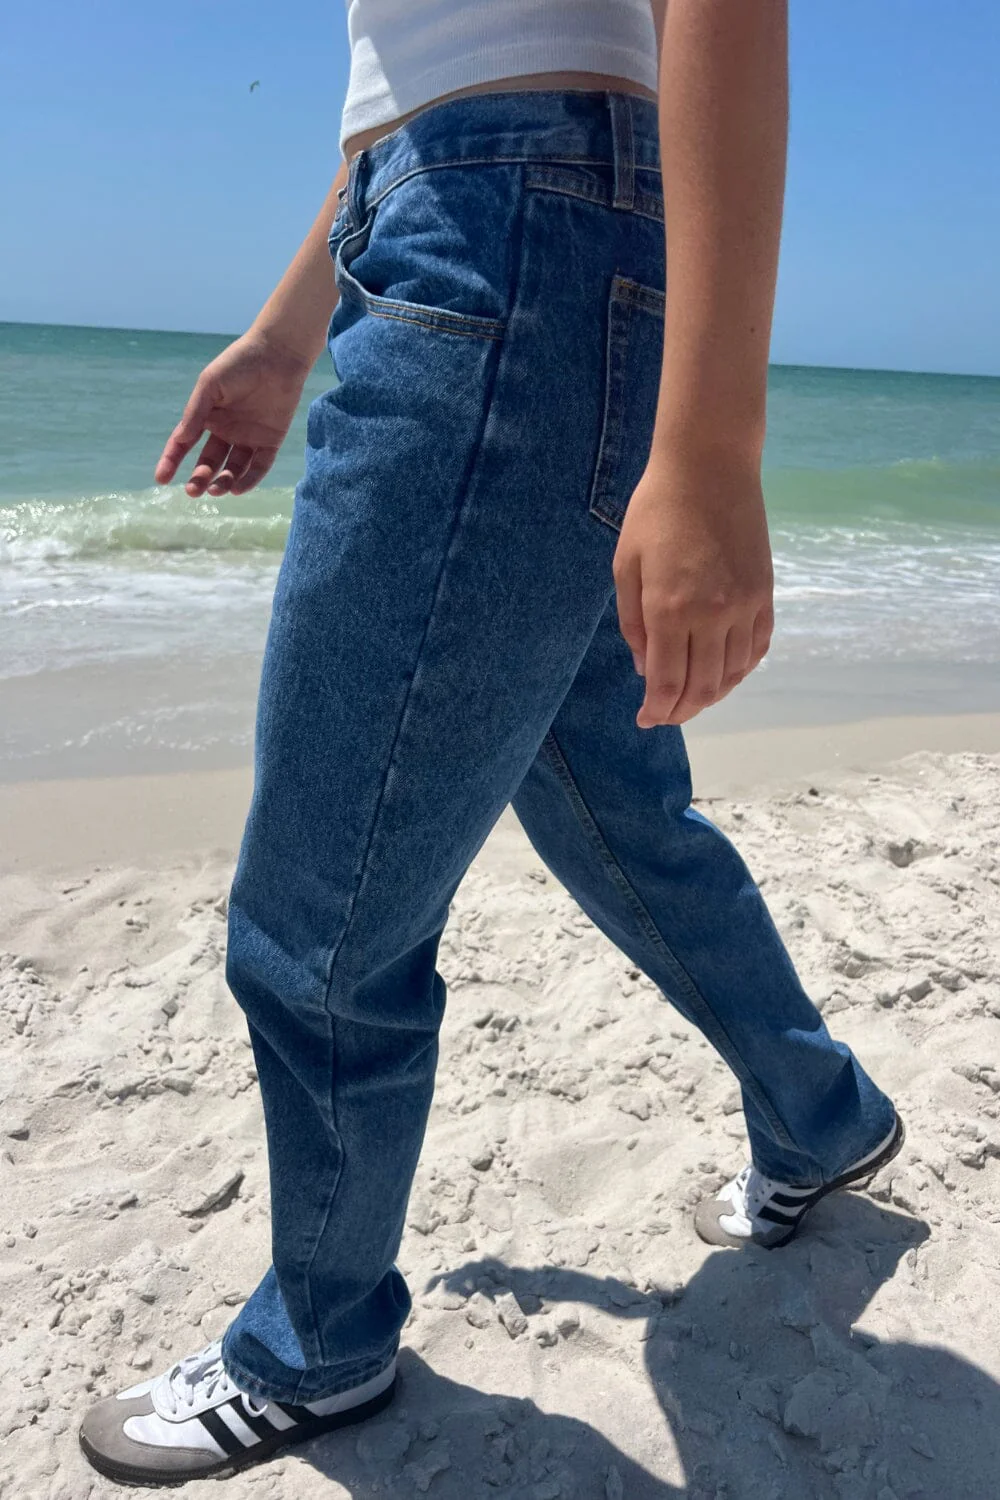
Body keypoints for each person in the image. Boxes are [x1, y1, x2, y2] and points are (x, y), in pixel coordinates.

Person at [79, 0, 903, 1485]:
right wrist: (287, 334)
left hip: (504, 252)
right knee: (614, 806)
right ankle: (819, 1112)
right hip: (493, 236)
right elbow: (412, 78)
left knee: (325, 905)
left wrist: (714, 447)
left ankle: (318, 1340)